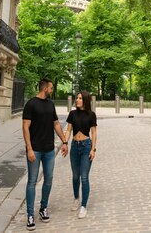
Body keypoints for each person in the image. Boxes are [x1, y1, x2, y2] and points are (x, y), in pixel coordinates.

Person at [22, 78, 68, 231]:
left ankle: (43, 208)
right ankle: (30, 214)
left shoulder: (50, 104)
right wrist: (29, 148)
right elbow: (25, 127)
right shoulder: (31, 104)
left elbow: (56, 123)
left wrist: (64, 141)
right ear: (45, 88)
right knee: (32, 182)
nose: (52, 89)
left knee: (48, 180)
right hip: (34, 149)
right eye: (51, 87)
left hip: (49, 150)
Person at [64, 90, 97, 219]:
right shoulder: (72, 114)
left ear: (85, 100)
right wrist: (65, 142)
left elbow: (94, 133)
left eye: (79, 98)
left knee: (84, 177)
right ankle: (76, 198)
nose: (77, 100)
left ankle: (83, 206)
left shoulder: (91, 115)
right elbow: (68, 130)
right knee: (75, 177)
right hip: (74, 147)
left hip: (86, 147)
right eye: (76, 98)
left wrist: (93, 150)